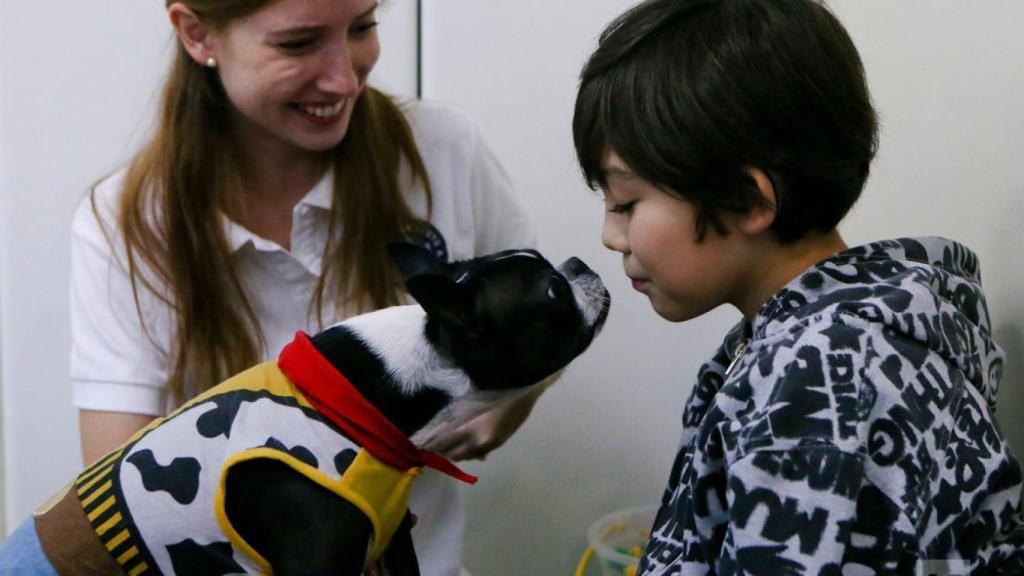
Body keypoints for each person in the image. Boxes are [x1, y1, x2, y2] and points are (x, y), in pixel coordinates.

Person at [61, 1, 543, 575]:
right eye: (297, 44)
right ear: (196, 34)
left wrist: (509, 401)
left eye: (363, 27)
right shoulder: (125, 225)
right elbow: (124, 504)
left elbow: (548, 311)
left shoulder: (443, 149)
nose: (344, 80)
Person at [572, 0, 1024, 574]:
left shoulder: (822, 372)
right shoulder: (834, 338)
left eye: (625, 203)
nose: (611, 236)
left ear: (745, 200)